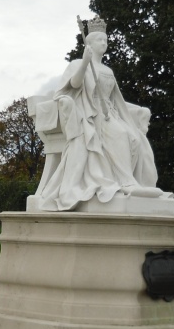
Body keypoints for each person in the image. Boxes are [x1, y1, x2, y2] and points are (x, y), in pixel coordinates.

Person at [34, 17, 164, 211]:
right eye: (99, 40)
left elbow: (116, 100)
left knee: (132, 136)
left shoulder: (107, 70)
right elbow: (75, 85)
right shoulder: (78, 64)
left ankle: (129, 181)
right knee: (120, 135)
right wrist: (85, 62)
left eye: (105, 40)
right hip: (88, 114)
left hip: (108, 114)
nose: (103, 43)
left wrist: (138, 113)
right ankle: (127, 182)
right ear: (89, 44)